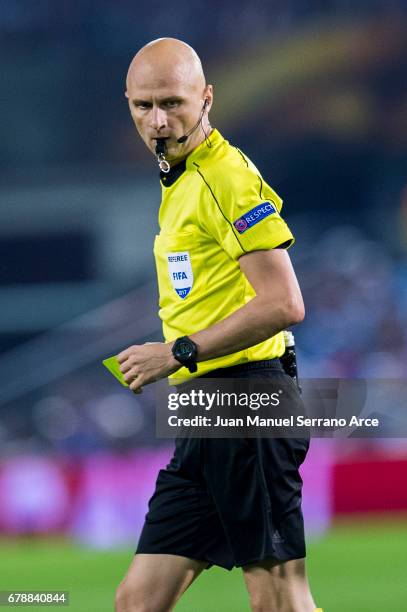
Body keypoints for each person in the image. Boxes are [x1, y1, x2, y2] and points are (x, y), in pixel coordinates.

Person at [115, 38, 323, 612]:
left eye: (174, 103)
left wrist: (175, 352)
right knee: (137, 600)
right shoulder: (180, 178)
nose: (158, 121)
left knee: (279, 600)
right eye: (143, 106)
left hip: (248, 402)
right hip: (204, 414)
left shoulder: (223, 177)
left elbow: (284, 302)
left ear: (207, 98)